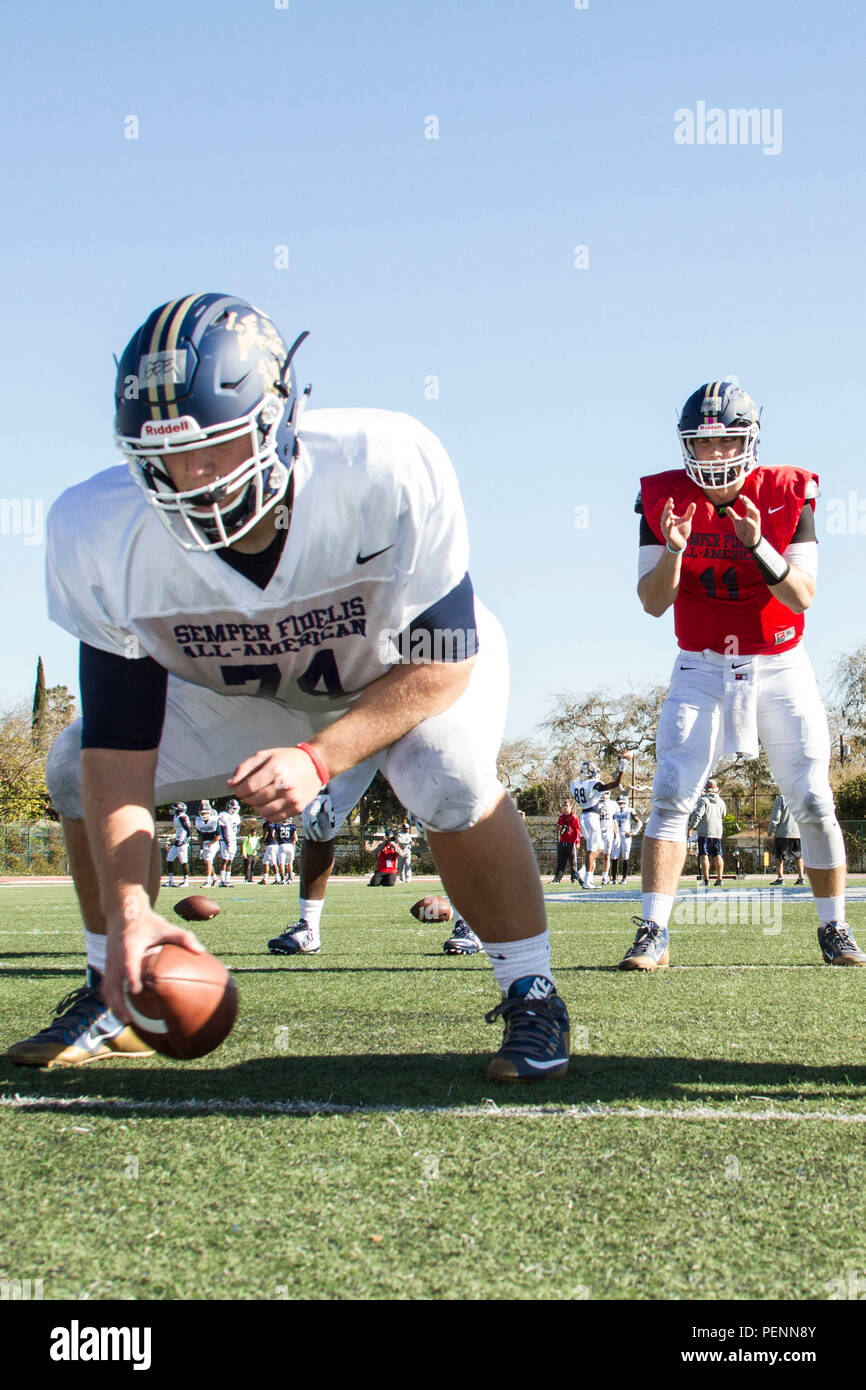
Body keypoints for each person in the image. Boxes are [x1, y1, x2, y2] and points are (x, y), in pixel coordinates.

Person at [8, 292, 569, 1081]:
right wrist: (132, 911)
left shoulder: (385, 465)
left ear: (278, 420)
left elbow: (443, 665)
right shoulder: (100, 532)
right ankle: (115, 984)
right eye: (166, 457)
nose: (192, 480)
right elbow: (119, 748)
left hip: (398, 670)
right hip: (245, 692)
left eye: (217, 449)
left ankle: (532, 989)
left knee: (445, 774)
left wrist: (318, 757)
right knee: (70, 766)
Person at [619, 375, 863, 970]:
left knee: (811, 797)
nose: (716, 454)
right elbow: (653, 602)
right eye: (704, 444)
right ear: (687, 447)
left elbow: (803, 595)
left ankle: (834, 928)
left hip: (778, 661)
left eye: (727, 442)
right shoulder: (663, 498)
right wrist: (674, 549)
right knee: (672, 792)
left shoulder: (786, 491)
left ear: (749, 442)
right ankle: (654, 931)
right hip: (700, 662)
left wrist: (758, 544)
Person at [569, 759, 626, 888]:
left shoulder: (574, 785)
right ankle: (587, 880)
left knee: (600, 847)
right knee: (592, 849)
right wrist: (621, 769)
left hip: (583, 815)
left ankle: (583, 872)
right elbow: (616, 783)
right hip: (592, 817)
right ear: (590, 772)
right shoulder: (593, 784)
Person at [689, 780, 727, 887]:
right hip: (717, 832)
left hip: (705, 832)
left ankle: (706, 880)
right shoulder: (721, 801)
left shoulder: (703, 800)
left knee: (703, 855)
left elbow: (698, 815)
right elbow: (724, 814)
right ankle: (719, 879)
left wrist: (691, 827)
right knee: (718, 855)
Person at [768, 793, 805, 886]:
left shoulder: (782, 798)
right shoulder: (800, 798)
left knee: (779, 857)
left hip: (783, 833)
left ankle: (780, 878)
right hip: (798, 832)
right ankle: (801, 878)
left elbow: (776, 816)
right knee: (799, 856)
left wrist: (771, 829)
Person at [611, 794, 643, 884]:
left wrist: (633, 833)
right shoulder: (614, 811)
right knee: (614, 856)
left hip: (626, 836)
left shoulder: (629, 811)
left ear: (626, 803)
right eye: (619, 803)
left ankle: (624, 878)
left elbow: (639, 823)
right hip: (617, 835)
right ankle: (614, 878)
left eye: (622, 803)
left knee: (625, 857)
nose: (621, 805)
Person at [552, 800, 581, 883]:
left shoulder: (574, 817)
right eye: (564, 806)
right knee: (561, 861)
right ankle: (557, 878)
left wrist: (577, 841)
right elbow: (558, 825)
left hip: (571, 842)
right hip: (562, 841)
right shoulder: (561, 817)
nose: (565, 808)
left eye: (567, 806)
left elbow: (577, 830)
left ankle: (574, 878)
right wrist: (560, 827)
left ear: (570, 807)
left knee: (573, 862)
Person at [164, 801, 191, 888]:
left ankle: (186, 881)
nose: (172, 810)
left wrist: (185, 841)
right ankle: (171, 880)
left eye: (174, 809)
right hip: (177, 841)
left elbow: (189, 830)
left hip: (182, 842)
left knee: (183, 861)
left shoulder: (182, 817)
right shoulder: (176, 816)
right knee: (169, 859)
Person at [195, 799, 220, 887]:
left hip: (213, 842)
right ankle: (214, 878)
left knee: (208, 860)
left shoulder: (214, 820)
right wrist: (201, 847)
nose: (204, 815)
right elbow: (200, 836)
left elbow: (218, 837)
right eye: (202, 813)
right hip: (206, 842)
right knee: (207, 861)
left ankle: (207, 881)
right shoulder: (198, 821)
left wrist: (209, 844)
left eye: (205, 813)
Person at [217, 797, 242, 887]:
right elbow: (222, 829)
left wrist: (233, 837)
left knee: (230, 861)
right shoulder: (223, 815)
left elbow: (238, 827)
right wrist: (227, 841)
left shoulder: (237, 816)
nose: (235, 810)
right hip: (225, 840)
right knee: (225, 860)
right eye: (234, 808)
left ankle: (227, 880)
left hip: (233, 839)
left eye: (236, 808)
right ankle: (222, 881)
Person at [275, 820, 297, 884]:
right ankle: (290, 878)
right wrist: (292, 846)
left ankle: (283, 878)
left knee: (281, 863)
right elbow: (295, 838)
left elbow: (275, 836)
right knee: (290, 863)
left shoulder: (278, 826)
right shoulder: (292, 826)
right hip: (290, 845)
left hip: (282, 845)